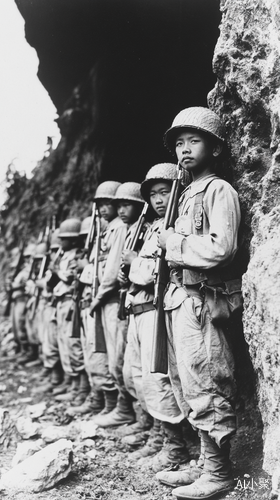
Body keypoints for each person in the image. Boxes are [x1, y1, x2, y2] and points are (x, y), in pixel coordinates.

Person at [157, 107, 241, 499]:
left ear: (216, 147)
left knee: (209, 383)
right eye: (179, 143)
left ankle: (221, 473)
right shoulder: (187, 192)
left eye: (194, 140)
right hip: (181, 299)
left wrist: (172, 243)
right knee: (188, 385)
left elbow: (221, 247)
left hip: (204, 300)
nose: (184, 149)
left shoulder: (218, 190)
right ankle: (207, 464)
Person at [120, 164, 190, 473]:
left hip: (155, 310)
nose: (159, 199)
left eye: (164, 192)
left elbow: (150, 272)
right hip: (138, 310)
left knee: (158, 379)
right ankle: (157, 435)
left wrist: (135, 263)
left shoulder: (175, 225)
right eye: (154, 194)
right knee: (137, 375)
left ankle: (175, 446)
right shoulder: (153, 227)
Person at [92, 181, 146, 427]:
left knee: (122, 361)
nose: (115, 210)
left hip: (119, 298)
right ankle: (127, 410)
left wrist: (100, 294)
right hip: (119, 295)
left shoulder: (123, 229)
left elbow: (112, 269)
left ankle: (132, 412)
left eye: (125, 205)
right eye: (116, 205)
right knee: (117, 361)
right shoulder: (119, 228)